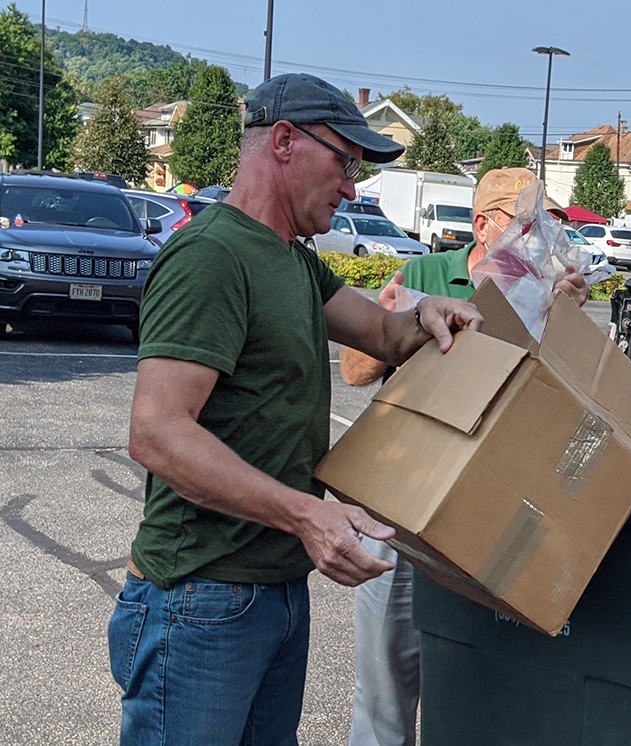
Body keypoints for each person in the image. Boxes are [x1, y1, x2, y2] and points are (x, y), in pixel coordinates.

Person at [109, 72, 484, 745]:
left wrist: (426, 311)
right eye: (344, 162)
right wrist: (307, 514)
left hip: (275, 589)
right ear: (283, 141)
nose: (352, 186)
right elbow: (157, 434)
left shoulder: (293, 259)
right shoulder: (212, 256)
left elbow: (381, 334)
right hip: (199, 596)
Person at [341, 166, 588, 746]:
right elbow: (354, 370)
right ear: (483, 224)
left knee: (480, 676)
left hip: (487, 503)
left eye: (544, 222)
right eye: (526, 223)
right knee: (384, 685)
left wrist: (568, 321)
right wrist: (410, 326)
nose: (539, 236)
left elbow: (569, 397)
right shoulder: (427, 272)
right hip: (401, 498)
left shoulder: (551, 290)